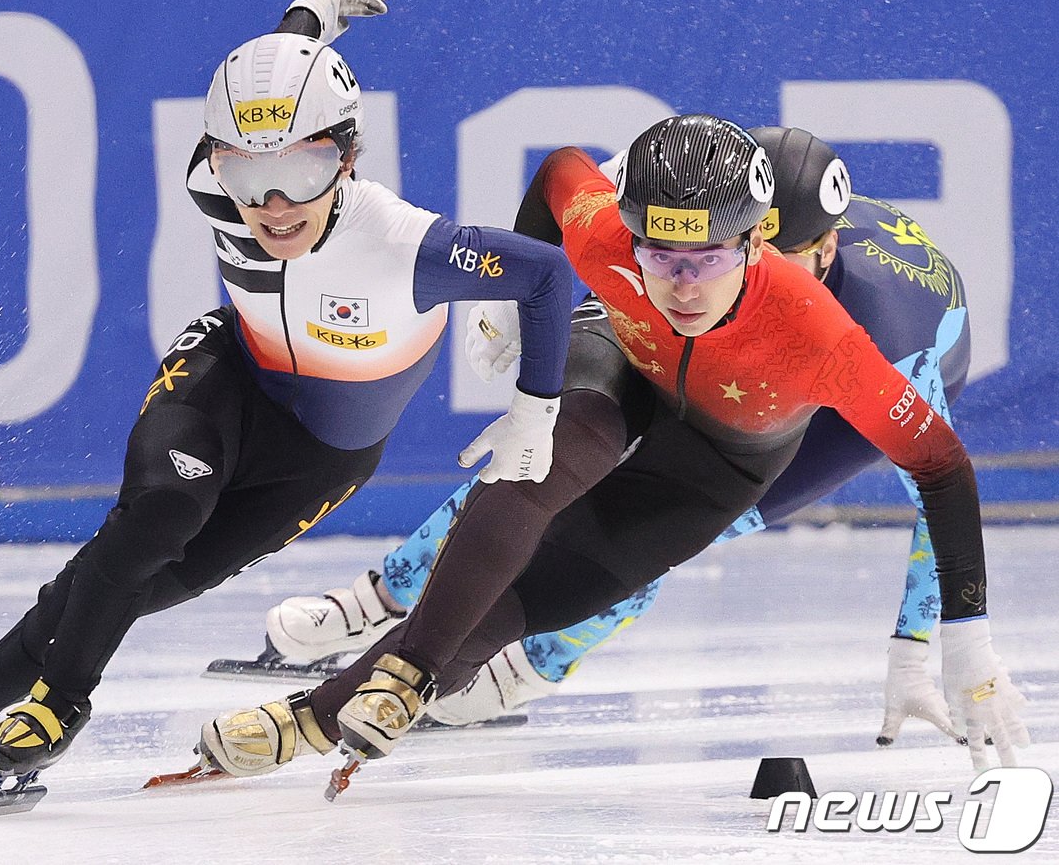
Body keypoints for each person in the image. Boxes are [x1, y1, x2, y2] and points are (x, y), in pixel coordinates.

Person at [0, 0, 574, 785]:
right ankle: (57, 704)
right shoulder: (216, 181)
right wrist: (308, 17)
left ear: (347, 158)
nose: (273, 205)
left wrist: (537, 407)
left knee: (134, 583)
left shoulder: (402, 244)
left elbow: (547, 275)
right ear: (215, 162)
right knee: (152, 520)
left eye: (303, 175)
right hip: (228, 375)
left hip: (320, 454)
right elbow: (276, 88)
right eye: (245, 174)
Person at [196, 113, 1027, 790]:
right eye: (661, 256)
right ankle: (387, 612)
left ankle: (461, 679)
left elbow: (943, 473)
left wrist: (946, 641)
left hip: (752, 431)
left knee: (588, 565)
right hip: (638, 355)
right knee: (537, 457)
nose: (685, 287)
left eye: (707, 259)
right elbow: (560, 171)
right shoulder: (611, 242)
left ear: (760, 248)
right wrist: (517, 315)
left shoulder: (843, 338)